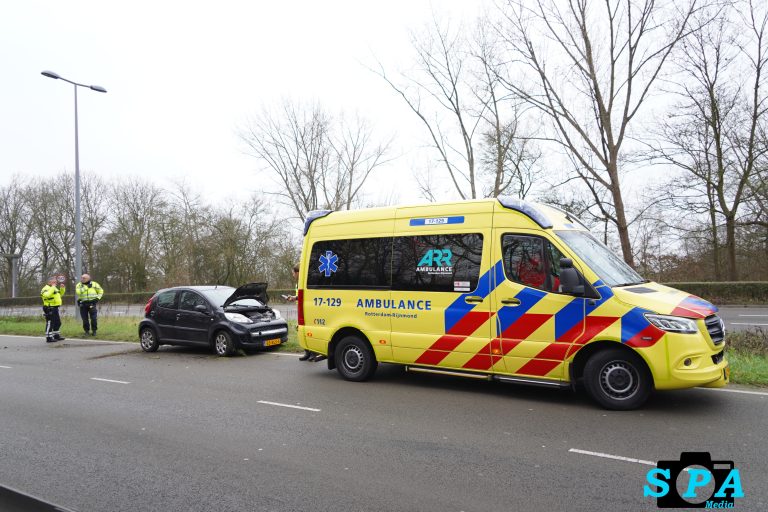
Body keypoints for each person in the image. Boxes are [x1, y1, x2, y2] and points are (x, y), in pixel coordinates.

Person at [287, 263, 325, 363]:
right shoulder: (298, 282)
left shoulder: (305, 281)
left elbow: (305, 295)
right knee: (301, 330)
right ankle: (307, 353)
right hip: (301, 308)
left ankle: (313, 353)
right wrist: (294, 298)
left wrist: (294, 298)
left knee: (308, 330)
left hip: (307, 309)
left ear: (298, 272)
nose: (293, 275)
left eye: (293, 273)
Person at [41, 276, 66, 343]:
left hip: (55, 307)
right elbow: (47, 295)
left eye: (56, 281)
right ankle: (48, 337)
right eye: (54, 281)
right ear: (49, 282)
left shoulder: (53, 288)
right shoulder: (45, 288)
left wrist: (62, 288)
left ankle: (56, 335)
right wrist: (53, 287)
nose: (56, 283)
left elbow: (60, 294)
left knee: (58, 322)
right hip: (49, 307)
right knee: (50, 323)